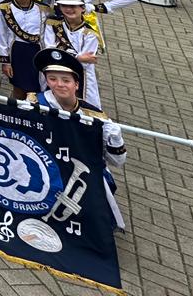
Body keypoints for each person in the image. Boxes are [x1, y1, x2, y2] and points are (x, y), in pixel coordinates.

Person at [28, 48, 127, 229]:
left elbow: (118, 161)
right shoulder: (33, 104)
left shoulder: (96, 117)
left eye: (66, 80)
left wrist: (115, 138)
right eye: (52, 79)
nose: (59, 85)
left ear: (77, 84)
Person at [0, 0, 51, 101]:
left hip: (37, 51)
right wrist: (5, 61)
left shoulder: (43, 9)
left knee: (38, 87)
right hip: (17, 52)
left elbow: (46, 35)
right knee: (18, 88)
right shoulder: (4, 9)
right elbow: (1, 36)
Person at [46, 0, 103, 109]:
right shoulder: (52, 24)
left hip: (81, 76)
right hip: (57, 72)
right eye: (64, 6)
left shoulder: (90, 34)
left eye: (73, 6)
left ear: (82, 8)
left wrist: (63, 53)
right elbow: (49, 51)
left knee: (84, 109)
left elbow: (84, 64)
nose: (69, 9)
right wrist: (77, 56)